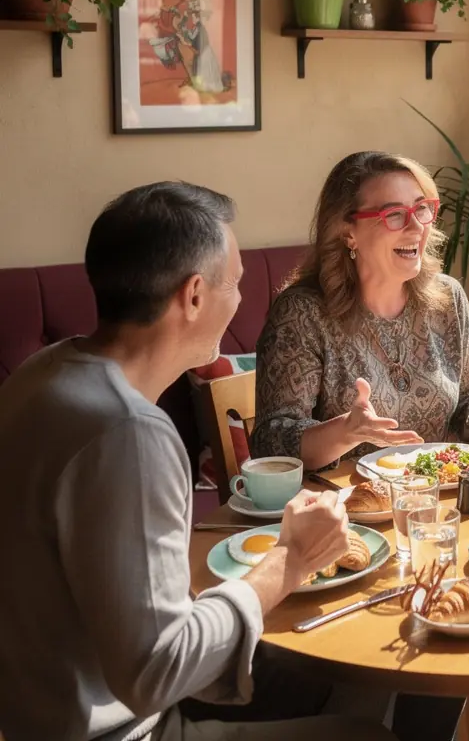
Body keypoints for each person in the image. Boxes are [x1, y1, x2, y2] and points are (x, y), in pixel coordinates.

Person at [0, 183, 394, 741]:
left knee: (362, 663)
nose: (238, 300)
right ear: (192, 296)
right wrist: (291, 557)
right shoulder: (128, 432)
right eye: (232, 284)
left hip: (32, 710)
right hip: (123, 729)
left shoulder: (41, 375)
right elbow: (156, 671)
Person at [251, 149, 469, 469]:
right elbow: (270, 442)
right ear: (348, 232)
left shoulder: (447, 299)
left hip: (440, 498)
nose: (417, 227)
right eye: (395, 214)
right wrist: (345, 432)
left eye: (422, 208)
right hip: (343, 509)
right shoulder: (302, 315)